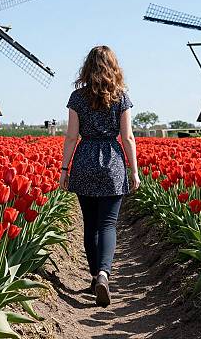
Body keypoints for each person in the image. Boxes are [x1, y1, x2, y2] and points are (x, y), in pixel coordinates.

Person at [59, 45, 139, 307]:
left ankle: (94, 277)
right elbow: (127, 137)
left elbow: (72, 136)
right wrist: (134, 170)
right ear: (113, 67)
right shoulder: (121, 97)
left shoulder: (77, 97)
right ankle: (104, 274)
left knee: (90, 224)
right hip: (113, 162)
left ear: (87, 68)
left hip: (84, 160)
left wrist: (64, 169)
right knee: (108, 224)